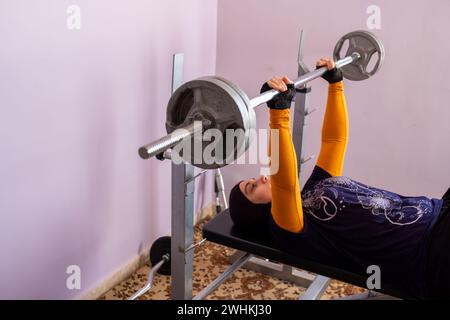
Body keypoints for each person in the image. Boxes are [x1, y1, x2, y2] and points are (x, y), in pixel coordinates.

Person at [228, 58, 449, 299]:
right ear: (254, 212)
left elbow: (334, 142)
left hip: (438, 211)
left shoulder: (314, 187)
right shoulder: (285, 227)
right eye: (251, 187)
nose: (260, 178)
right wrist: (279, 114)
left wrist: (336, 85)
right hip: (431, 253)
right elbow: (284, 183)